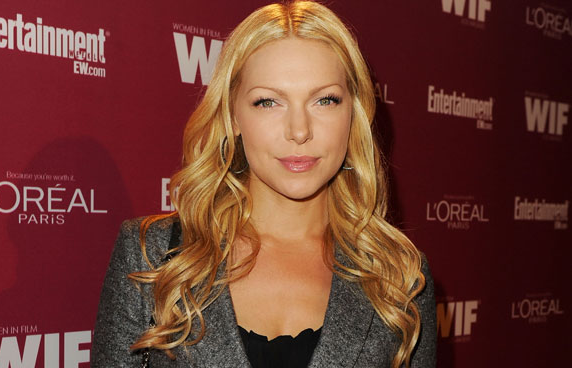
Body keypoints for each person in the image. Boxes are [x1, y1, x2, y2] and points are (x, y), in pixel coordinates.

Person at [91, 1, 436, 367]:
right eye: (268, 102)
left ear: (354, 111)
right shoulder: (152, 257)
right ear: (233, 115)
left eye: (325, 100)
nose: (300, 131)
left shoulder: (399, 277)